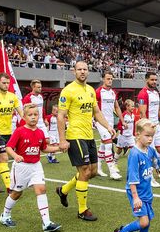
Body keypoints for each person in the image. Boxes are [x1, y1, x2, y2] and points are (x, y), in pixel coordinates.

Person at [54, 61, 116, 221]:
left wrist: (108, 126)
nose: (82, 72)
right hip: (75, 135)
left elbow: (96, 111)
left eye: (85, 69)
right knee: (85, 171)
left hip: (89, 135)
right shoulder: (68, 91)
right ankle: (82, 210)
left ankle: (64, 190)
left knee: (93, 171)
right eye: (79, 69)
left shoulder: (90, 90)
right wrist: (62, 139)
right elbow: (60, 115)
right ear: (74, 71)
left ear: (88, 72)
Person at [0, 103, 62, 232]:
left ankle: (46, 223)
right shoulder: (19, 131)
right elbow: (8, 147)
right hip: (21, 167)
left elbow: (44, 148)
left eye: (35, 114)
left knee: (41, 189)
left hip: (36, 166)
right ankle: (5, 215)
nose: (33, 117)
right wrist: (15, 155)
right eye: (30, 115)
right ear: (24, 117)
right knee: (16, 193)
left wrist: (58, 148)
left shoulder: (39, 132)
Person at [137, 72, 160, 186]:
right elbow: (142, 113)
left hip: (156, 126)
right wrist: (147, 128)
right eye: (152, 80)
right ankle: (150, 177)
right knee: (150, 153)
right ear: (146, 79)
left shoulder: (156, 93)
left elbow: (159, 111)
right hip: (148, 127)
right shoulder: (143, 94)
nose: (154, 82)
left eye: (156, 80)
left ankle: (156, 163)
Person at [95, 71, 122, 179]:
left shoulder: (113, 92)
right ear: (103, 79)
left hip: (110, 123)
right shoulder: (98, 92)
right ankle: (112, 171)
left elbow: (116, 107)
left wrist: (122, 120)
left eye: (111, 79)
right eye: (108, 79)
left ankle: (98, 167)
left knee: (102, 145)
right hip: (101, 122)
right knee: (108, 144)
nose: (110, 80)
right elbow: (94, 109)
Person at [22, 79, 56, 164]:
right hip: (33, 122)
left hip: (41, 122)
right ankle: (31, 154)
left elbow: (42, 109)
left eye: (40, 87)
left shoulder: (40, 96)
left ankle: (45, 153)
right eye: (38, 87)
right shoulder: (28, 97)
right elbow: (24, 111)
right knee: (32, 140)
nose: (40, 88)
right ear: (33, 87)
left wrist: (44, 119)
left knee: (47, 140)